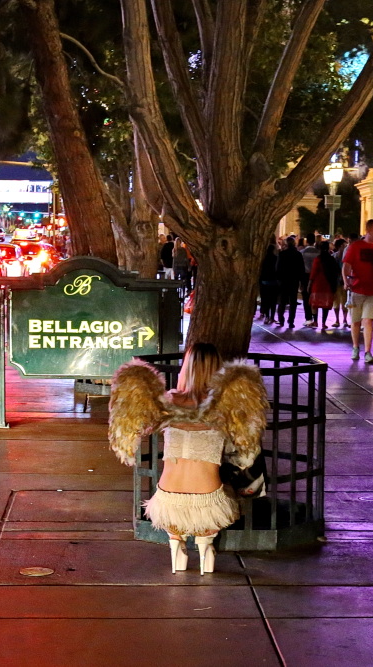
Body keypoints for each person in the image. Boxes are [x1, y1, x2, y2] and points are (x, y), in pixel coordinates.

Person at [108, 343, 268, 574]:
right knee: (228, 497)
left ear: (186, 368)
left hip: (167, 501)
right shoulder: (225, 407)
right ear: (218, 369)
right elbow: (246, 453)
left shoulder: (168, 401)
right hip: (209, 502)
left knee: (173, 517)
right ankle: (206, 548)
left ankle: (177, 546)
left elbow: (140, 425)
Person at [342, 219, 373, 364]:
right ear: (368, 230)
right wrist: (346, 281)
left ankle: (368, 351)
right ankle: (355, 347)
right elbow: (346, 265)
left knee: (368, 320)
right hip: (356, 288)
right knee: (356, 320)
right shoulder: (356, 246)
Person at [308, 240, 340, 330]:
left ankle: (315, 321)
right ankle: (323, 323)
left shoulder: (317, 259)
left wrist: (309, 284)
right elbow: (336, 271)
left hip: (317, 284)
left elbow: (313, 273)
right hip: (328, 284)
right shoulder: (331, 259)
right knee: (325, 305)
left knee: (314, 304)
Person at [275, 236, 305, 328]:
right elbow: (301, 269)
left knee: (282, 301)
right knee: (293, 302)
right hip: (294, 280)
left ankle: (281, 319)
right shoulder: (298, 254)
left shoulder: (282, 254)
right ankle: (291, 321)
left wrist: (278, 280)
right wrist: (302, 282)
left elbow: (278, 268)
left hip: (284, 280)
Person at [331, 238, 350, 328]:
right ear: (340, 246)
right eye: (344, 245)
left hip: (342, 281)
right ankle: (338, 319)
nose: (346, 247)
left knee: (344, 301)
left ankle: (344, 319)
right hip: (338, 281)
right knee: (337, 301)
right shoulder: (334, 256)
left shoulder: (337, 256)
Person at [258, 243, 279, 324]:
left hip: (264, 282)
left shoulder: (263, 259)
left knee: (266, 300)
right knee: (273, 301)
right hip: (273, 282)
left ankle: (266, 316)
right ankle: (272, 317)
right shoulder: (276, 258)